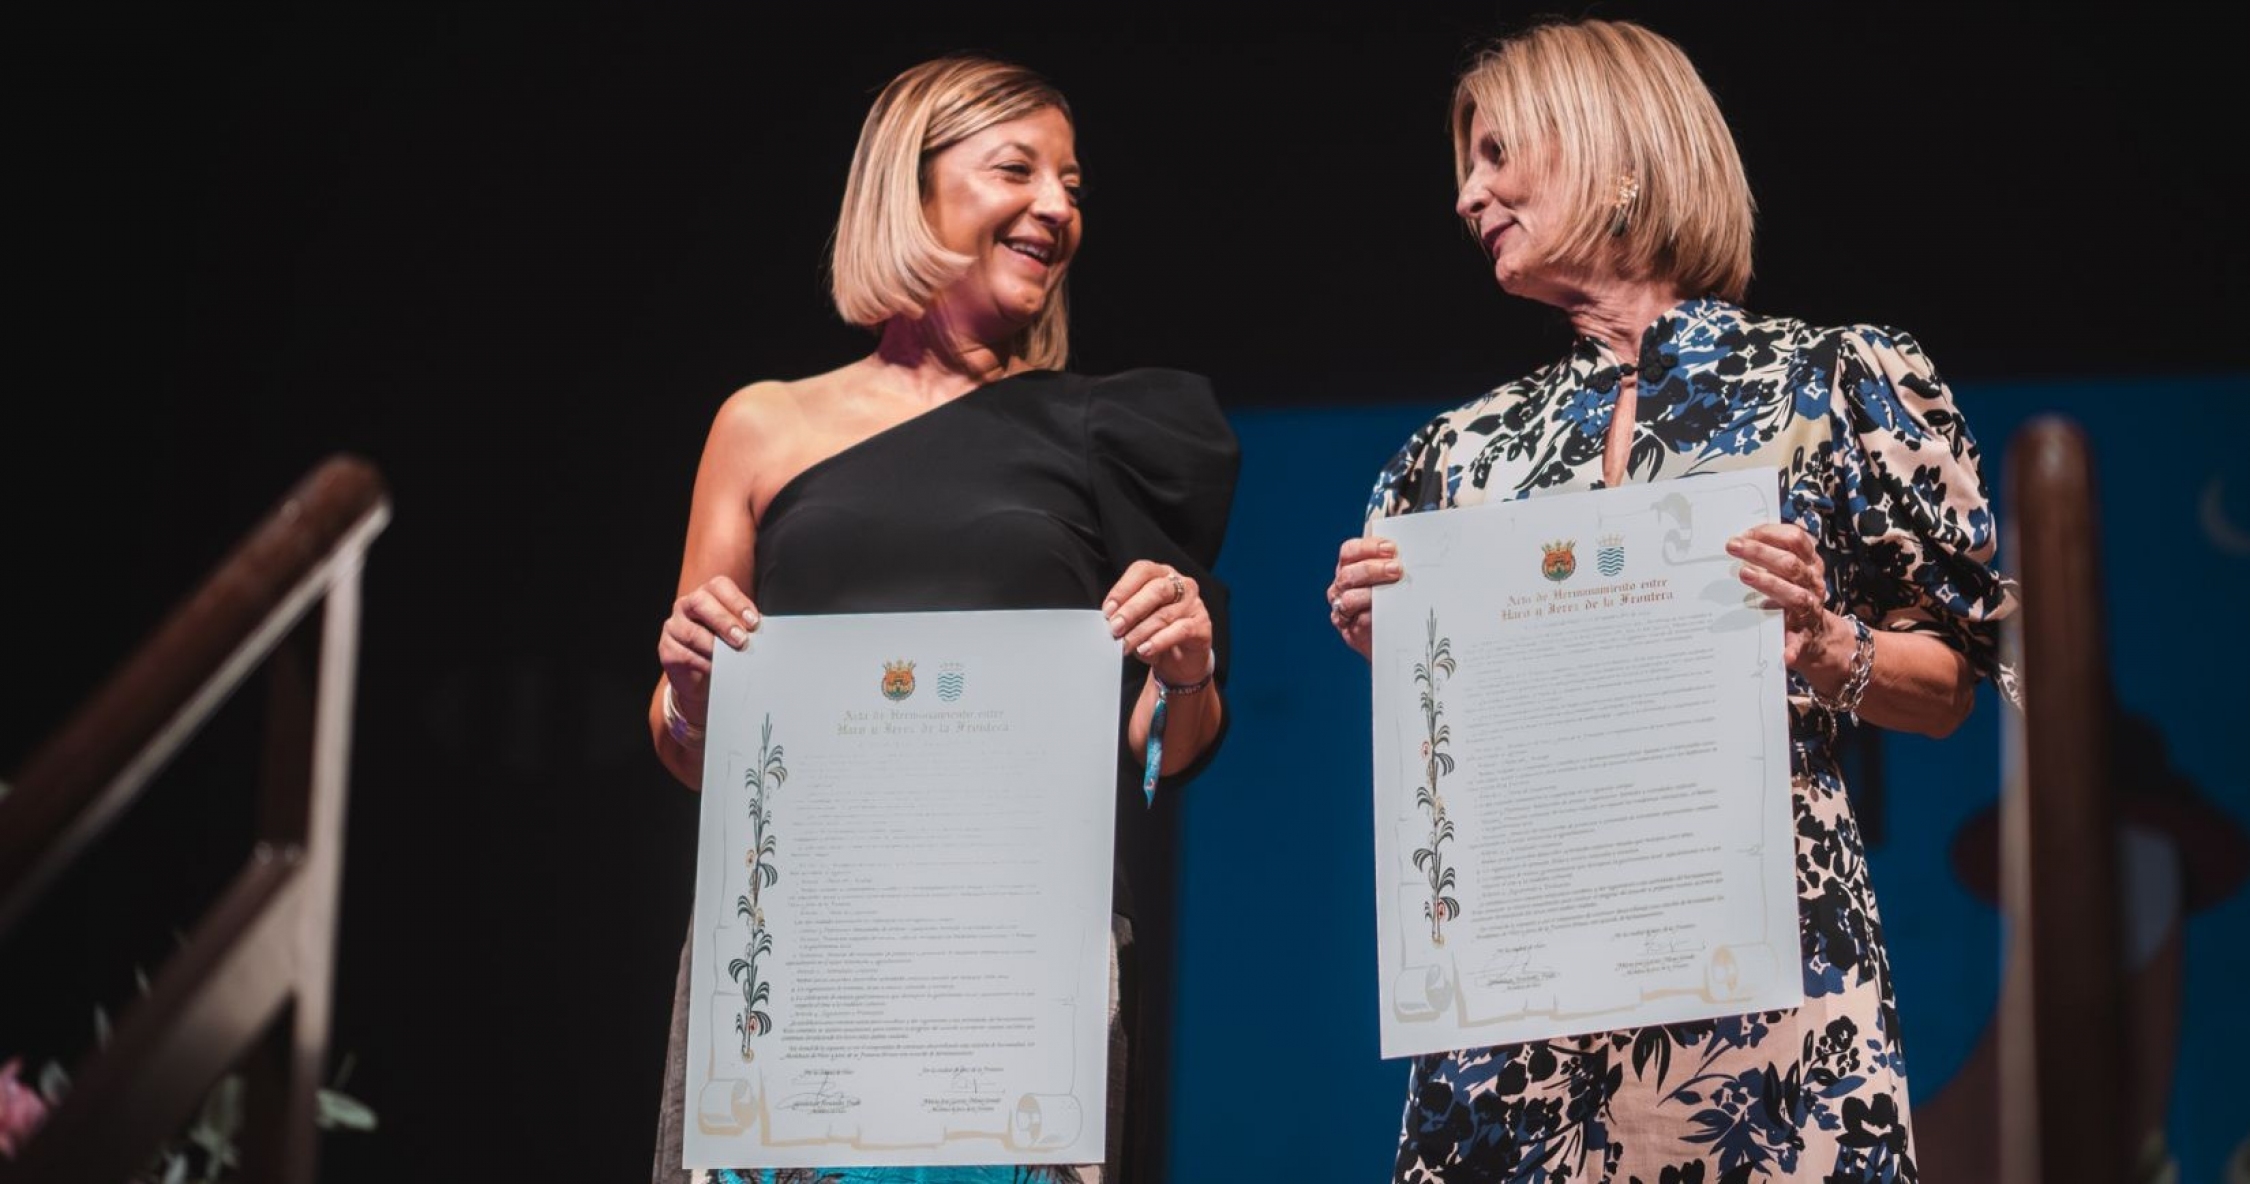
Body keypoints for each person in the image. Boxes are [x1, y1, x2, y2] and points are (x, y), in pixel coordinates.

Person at [1325, 18, 2018, 1182]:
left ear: (1619, 150)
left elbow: (1946, 683)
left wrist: (1824, 640)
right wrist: (1390, 643)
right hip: (1520, 1010)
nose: (1468, 196)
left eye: (1496, 155)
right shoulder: (1454, 452)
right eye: (1464, 168)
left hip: (1764, 1003)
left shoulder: (1834, 385)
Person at [646, 55, 1238, 1184]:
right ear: (906, 190)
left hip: (1006, 974)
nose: (1058, 206)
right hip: (803, 964)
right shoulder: (763, 425)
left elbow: (1162, 748)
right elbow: (688, 750)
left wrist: (1188, 671)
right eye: (1017, 168)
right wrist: (689, 685)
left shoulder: (1106, 430)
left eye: (1073, 182)